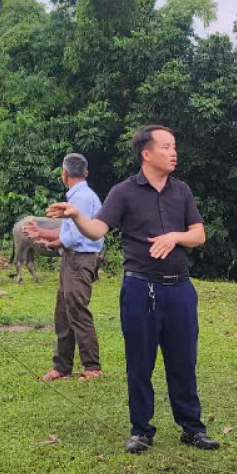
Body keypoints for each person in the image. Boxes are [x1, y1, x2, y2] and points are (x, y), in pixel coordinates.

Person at [47, 125, 219, 454]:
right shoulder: (124, 192)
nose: (173, 152)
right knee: (140, 362)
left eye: (174, 146)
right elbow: (97, 229)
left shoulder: (181, 191)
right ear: (146, 153)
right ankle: (141, 430)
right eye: (166, 146)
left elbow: (198, 234)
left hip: (180, 289)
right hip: (140, 289)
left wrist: (175, 237)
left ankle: (192, 427)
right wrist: (76, 215)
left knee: (183, 361)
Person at [30, 154, 105, 383]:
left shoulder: (80, 198)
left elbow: (72, 236)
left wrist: (49, 239)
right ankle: (62, 366)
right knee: (63, 312)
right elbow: (68, 232)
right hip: (71, 259)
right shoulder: (80, 195)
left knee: (77, 311)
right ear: (86, 172)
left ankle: (92, 366)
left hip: (80, 260)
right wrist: (43, 234)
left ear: (64, 174)